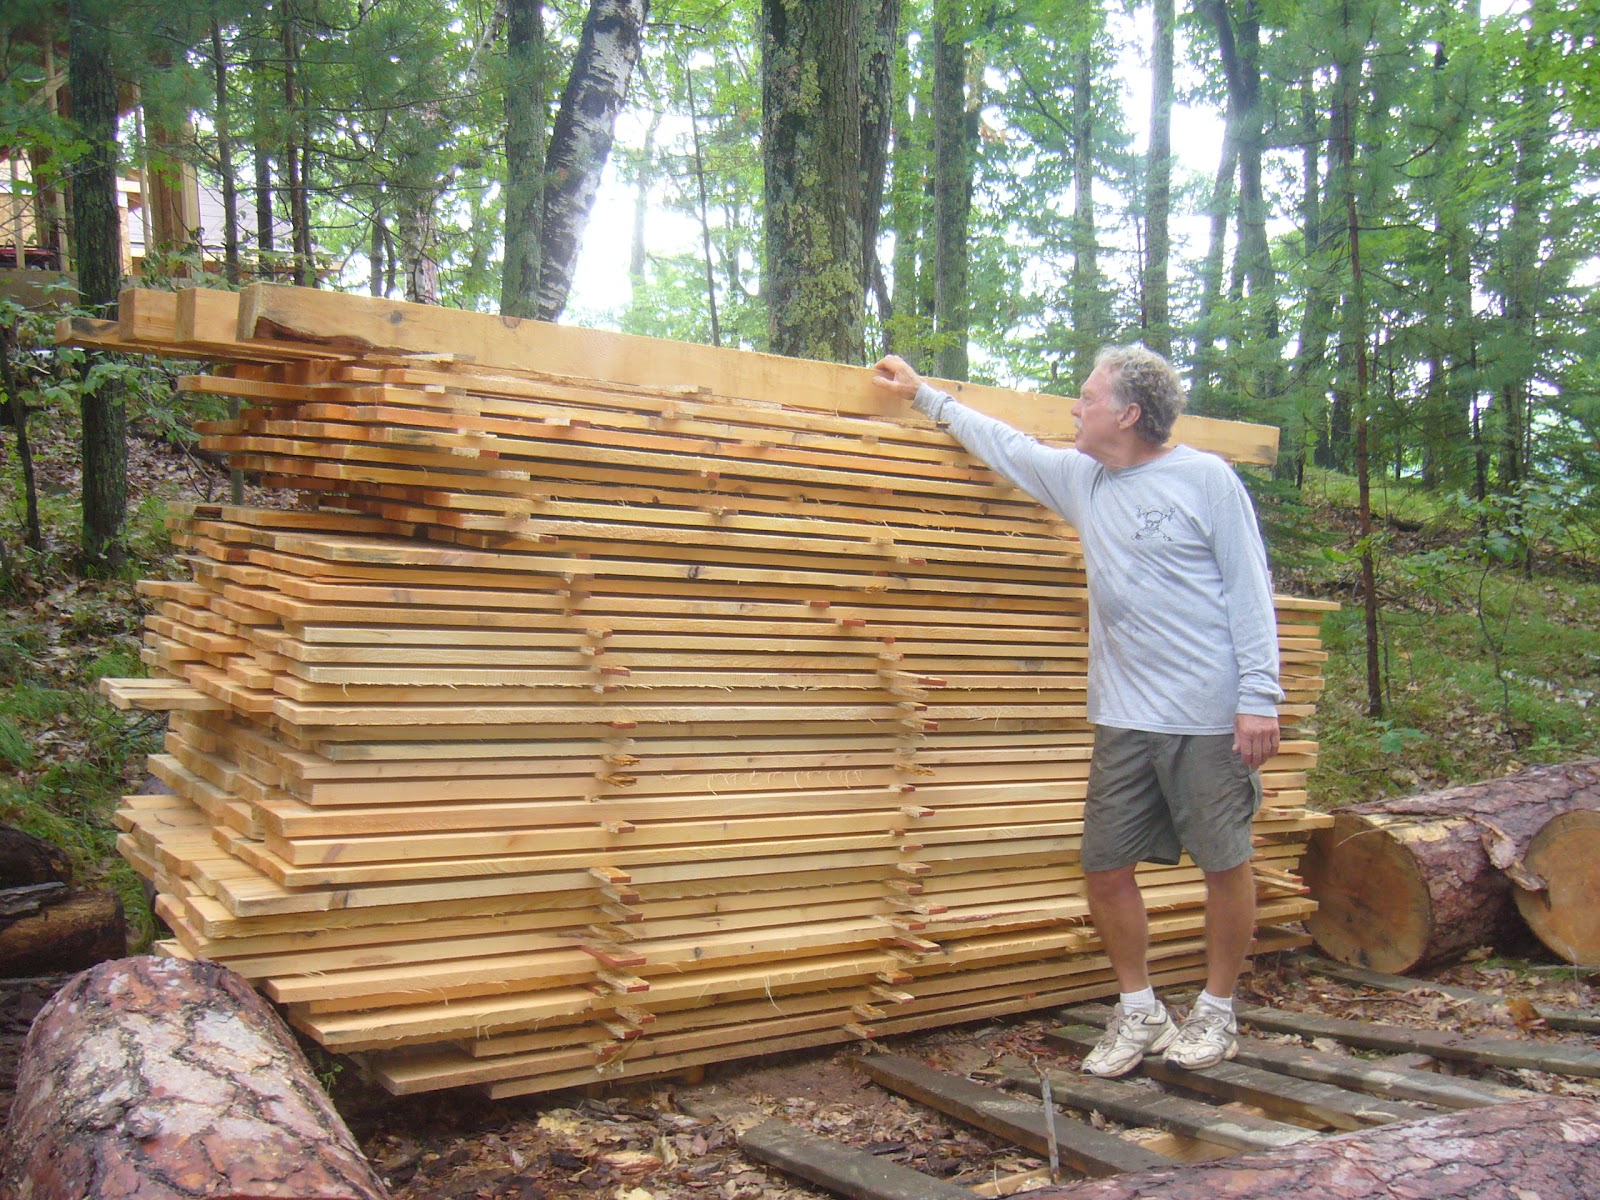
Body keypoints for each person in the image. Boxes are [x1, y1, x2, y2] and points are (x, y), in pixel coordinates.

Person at [871, 347, 1282, 1076]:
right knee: (1104, 865)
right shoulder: (1084, 480)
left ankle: (1216, 1013)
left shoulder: (1205, 480)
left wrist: (1258, 697)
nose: (1074, 408)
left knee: (1224, 863)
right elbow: (1008, 447)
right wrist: (925, 397)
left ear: (1127, 414)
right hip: (1123, 715)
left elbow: (1250, 590)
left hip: (1209, 715)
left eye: (1087, 398)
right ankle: (1140, 1010)